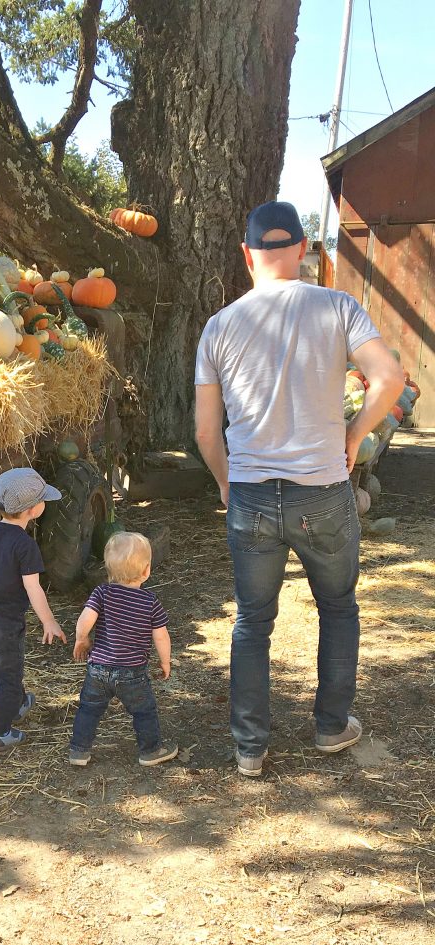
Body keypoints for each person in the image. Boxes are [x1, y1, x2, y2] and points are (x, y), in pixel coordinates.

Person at [194, 200, 405, 777]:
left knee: (252, 621)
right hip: (324, 492)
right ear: (304, 250)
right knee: (338, 608)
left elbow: (207, 431)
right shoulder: (339, 306)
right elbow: (389, 379)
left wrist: (224, 483)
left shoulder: (219, 326)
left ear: (248, 255)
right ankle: (332, 727)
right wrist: (355, 436)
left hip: (252, 494)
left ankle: (249, 748)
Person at [0, 467, 66, 752]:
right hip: (5, 622)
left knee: (0, 667)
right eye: (43, 499)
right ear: (33, 510)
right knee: (8, 675)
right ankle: (0, 732)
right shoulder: (25, 545)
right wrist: (49, 622)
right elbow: (34, 589)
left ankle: (18, 704)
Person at [69, 532, 178, 767]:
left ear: (108, 570)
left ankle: (79, 751)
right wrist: (166, 661)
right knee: (144, 711)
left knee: (88, 709)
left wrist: (81, 639)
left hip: (98, 669)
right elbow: (161, 635)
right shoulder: (150, 602)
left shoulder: (101, 593)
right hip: (132, 673)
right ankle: (150, 750)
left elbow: (85, 619)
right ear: (146, 571)